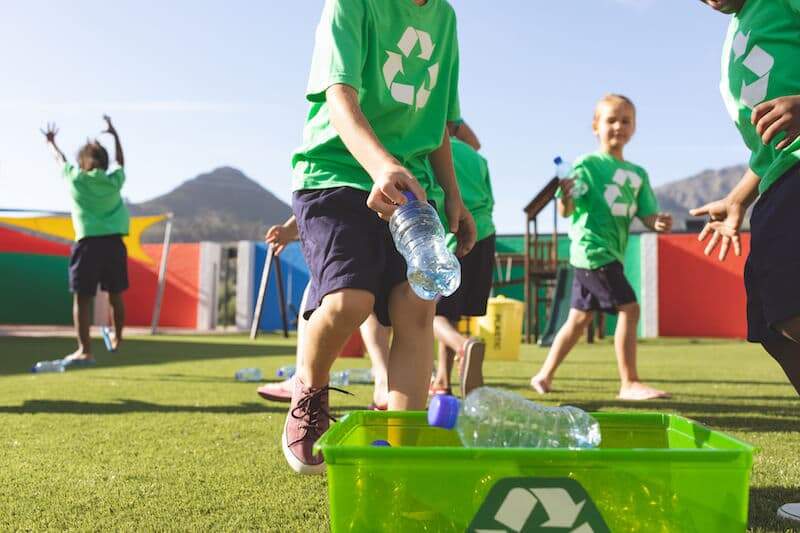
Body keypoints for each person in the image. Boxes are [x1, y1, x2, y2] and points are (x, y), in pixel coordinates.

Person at [285, 0, 475, 474]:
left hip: (410, 188)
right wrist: (381, 164)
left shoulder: (445, 18)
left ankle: (402, 447)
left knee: (416, 308)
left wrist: (454, 195)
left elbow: (438, 125)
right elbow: (339, 96)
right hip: (335, 174)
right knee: (351, 302)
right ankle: (309, 386)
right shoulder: (351, 4)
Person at [692, 0, 800, 523]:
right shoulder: (738, 29)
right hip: (780, 180)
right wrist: (739, 196)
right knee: (775, 327)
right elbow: (769, 147)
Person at [529, 94, 673, 401]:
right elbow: (568, 209)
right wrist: (566, 196)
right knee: (630, 309)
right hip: (593, 251)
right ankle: (629, 383)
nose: (618, 126)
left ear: (634, 128)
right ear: (596, 126)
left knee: (579, 319)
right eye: (611, 120)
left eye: (626, 121)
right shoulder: (587, 165)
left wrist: (656, 221)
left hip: (610, 253)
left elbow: (646, 215)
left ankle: (543, 375)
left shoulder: (639, 174)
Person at [255, 216, 390, 410]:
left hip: (352, 216)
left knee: (323, 287)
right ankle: (384, 380)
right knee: (372, 296)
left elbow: (326, 185)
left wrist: (290, 228)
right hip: (393, 217)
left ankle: (303, 377)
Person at [41, 116, 129, 365]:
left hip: (88, 245)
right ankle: (117, 338)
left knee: (82, 298)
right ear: (104, 161)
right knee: (116, 294)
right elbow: (121, 162)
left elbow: (60, 160)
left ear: (84, 161)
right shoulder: (113, 182)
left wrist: (51, 143)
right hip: (114, 245)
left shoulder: (76, 179)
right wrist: (115, 135)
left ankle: (85, 349)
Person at [430, 120, 495, 399]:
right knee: (450, 314)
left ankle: (462, 345)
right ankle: (443, 380)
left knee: (427, 313)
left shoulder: (430, 151)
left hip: (452, 237)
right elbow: (489, 200)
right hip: (484, 235)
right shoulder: (477, 158)